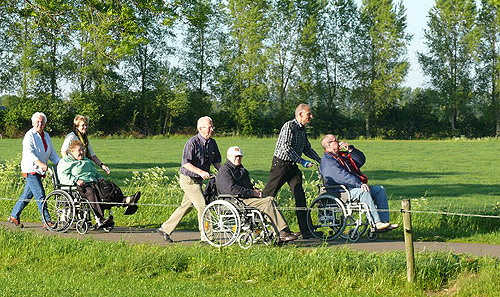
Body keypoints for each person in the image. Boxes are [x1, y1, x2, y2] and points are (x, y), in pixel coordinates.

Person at [158, 116, 221, 243]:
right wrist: (201, 172)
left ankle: (165, 229)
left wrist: (224, 174)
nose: (211, 130)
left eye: (212, 127)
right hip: (188, 180)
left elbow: (217, 162)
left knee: (186, 207)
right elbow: (186, 163)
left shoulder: (212, 143)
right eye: (209, 128)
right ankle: (207, 238)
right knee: (203, 206)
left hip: (198, 181)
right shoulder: (192, 142)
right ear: (200, 129)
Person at [262, 103, 321, 239]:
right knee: (268, 196)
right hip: (280, 165)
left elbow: (306, 148)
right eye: (308, 114)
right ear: (300, 114)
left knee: (300, 197)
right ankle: (261, 227)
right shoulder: (289, 126)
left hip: (292, 166)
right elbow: (286, 148)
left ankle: (307, 231)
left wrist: (319, 159)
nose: (311, 116)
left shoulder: (302, 129)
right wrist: (303, 161)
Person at [216, 146, 298, 242]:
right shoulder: (224, 171)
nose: (238, 158)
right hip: (235, 201)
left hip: (245, 198)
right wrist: (252, 193)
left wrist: (255, 190)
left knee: (270, 199)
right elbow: (231, 190)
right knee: (267, 203)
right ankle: (281, 232)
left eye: (240, 156)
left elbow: (248, 186)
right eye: (236, 156)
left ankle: (284, 230)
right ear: (229, 157)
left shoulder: (241, 170)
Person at [320, 134, 398, 231]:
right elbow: (342, 176)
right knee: (363, 192)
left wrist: (350, 150)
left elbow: (360, 160)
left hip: (351, 188)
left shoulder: (341, 156)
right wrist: (359, 184)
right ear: (329, 145)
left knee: (379, 190)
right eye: (335, 140)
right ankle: (376, 224)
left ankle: (385, 222)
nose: (339, 141)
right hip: (340, 191)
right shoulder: (328, 160)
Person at [57, 140, 141, 228]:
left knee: (108, 189)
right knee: (91, 192)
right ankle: (99, 218)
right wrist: (76, 180)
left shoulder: (86, 161)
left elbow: (94, 172)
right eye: (79, 150)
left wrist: (100, 177)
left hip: (93, 182)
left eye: (83, 150)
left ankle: (126, 200)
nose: (82, 152)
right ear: (71, 152)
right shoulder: (65, 162)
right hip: (78, 186)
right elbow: (63, 176)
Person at [8, 112, 61, 229]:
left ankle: (14, 215)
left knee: (26, 196)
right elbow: (29, 153)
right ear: (33, 123)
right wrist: (40, 164)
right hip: (31, 169)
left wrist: (61, 163)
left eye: (42, 122)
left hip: (40, 170)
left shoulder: (46, 135)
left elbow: (51, 153)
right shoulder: (29, 135)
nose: (40, 124)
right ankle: (47, 221)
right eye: (38, 122)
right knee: (40, 196)